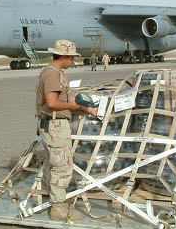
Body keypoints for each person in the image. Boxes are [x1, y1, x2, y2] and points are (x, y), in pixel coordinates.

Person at [36, 40, 98, 221]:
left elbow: (68, 98)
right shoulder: (52, 75)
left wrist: (87, 109)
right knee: (62, 166)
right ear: (63, 56)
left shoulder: (57, 73)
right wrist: (74, 105)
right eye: (71, 58)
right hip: (55, 126)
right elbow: (53, 103)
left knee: (52, 164)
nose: (73, 61)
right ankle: (58, 209)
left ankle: (52, 200)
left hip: (53, 125)